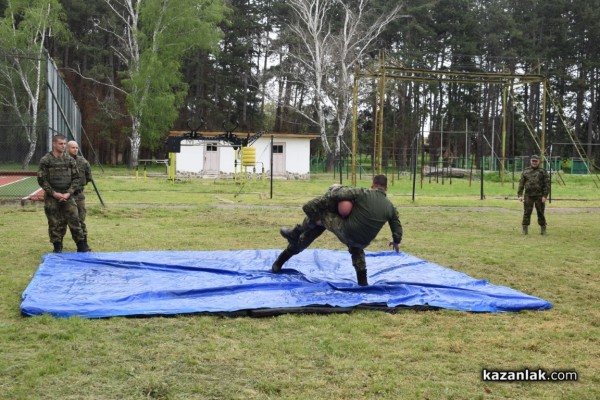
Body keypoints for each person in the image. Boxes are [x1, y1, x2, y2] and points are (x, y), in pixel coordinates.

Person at [272, 174, 403, 286]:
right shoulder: (390, 207)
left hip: (345, 230)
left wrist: (336, 188)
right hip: (361, 241)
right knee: (355, 249)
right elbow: (397, 227)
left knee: (320, 215)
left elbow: (339, 194)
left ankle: (294, 235)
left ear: (372, 185)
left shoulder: (363, 193)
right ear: (386, 188)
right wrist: (396, 241)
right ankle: (363, 282)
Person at [37, 135, 91, 253]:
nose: (63, 146)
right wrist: (53, 193)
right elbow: (41, 179)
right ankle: (57, 247)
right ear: (54, 144)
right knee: (54, 223)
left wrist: (68, 193)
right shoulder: (46, 160)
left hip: (68, 197)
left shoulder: (70, 160)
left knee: (75, 221)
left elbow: (76, 178)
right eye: (60, 144)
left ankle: (81, 247)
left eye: (64, 144)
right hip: (52, 198)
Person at [58, 140, 93, 243]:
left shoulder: (83, 162)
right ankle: (58, 246)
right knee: (62, 221)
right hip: (64, 196)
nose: (75, 149)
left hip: (78, 196)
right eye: (73, 148)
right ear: (67, 149)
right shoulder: (60, 161)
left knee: (80, 220)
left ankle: (83, 245)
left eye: (77, 148)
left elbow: (89, 177)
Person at [517, 154, 550, 235]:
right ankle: (525, 229)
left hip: (539, 196)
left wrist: (545, 196)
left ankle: (543, 229)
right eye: (533, 161)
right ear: (530, 161)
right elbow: (521, 183)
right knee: (527, 212)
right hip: (528, 196)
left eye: (536, 161)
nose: (534, 162)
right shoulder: (525, 171)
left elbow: (547, 184)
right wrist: (520, 195)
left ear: (539, 161)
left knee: (540, 212)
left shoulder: (543, 171)